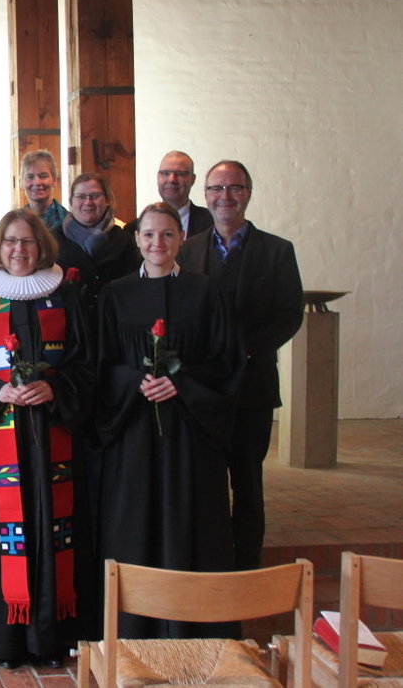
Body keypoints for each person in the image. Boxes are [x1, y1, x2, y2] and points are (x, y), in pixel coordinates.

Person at [97, 202, 240, 638]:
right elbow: (100, 364)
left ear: (181, 240)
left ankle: (193, 627)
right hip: (134, 431)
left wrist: (182, 383)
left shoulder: (206, 291)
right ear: (137, 240)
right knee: (134, 524)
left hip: (189, 434)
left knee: (191, 522)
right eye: (148, 235)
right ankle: (134, 627)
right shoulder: (115, 294)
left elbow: (227, 361)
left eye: (167, 235)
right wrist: (135, 380)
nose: (157, 243)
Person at [0, 209, 94, 670]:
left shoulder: (67, 298)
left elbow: (86, 361)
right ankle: (6, 641)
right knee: (6, 534)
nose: (19, 250)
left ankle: (52, 636)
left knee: (55, 529)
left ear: (43, 249)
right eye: (10, 242)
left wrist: (55, 387)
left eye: (28, 242)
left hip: (54, 436)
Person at [179, 160, 303, 571]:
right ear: (206, 195)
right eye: (217, 189)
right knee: (206, 480)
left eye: (234, 188)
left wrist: (243, 354)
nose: (225, 197)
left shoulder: (277, 250)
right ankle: (212, 559)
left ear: (248, 193)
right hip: (203, 389)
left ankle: (247, 565)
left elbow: (288, 314)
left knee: (248, 482)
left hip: (252, 385)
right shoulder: (189, 248)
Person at [53, 173, 139, 323]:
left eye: (95, 195)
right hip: (69, 326)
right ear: (71, 202)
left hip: (114, 324)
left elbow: (133, 287)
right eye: (81, 196)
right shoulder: (54, 240)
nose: (88, 202)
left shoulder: (124, 240)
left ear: (107, 200)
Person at [125, 151, 213, 239]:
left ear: (193, 179)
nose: (172, 179)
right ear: (158, 177)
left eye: (180, 174)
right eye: (166, 173)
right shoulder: (133, 229)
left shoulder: (213, 223)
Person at [20, 150, 68, 229]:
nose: (37, 182)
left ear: (55, 180)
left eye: (43, 176)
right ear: (21, 183)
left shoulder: (69, 222)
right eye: (30, 177)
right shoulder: (15, 224)